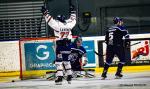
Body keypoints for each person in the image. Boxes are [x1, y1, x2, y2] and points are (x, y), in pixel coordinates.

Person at [41, 5, 76, 85]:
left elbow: (50, 20)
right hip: (68, 46)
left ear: (59, 20)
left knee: (58, 62)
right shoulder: (69, 25)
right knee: (66, 61)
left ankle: (59, 77)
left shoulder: (57, 25)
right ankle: (69, 75)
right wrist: (73, 12)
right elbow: (73, 20)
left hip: (60, 46)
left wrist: (45, 13)